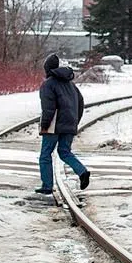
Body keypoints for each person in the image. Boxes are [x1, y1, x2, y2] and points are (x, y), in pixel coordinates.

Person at [36, 53, 91, 195]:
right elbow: (80, 104)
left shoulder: (48, 85)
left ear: (47, 69)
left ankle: (47, 186)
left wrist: (44, 125)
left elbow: (48, 108)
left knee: (45, 155)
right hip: (70, 124)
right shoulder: (71, 85)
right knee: (65, 152)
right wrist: (74, 122)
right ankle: (82, 171)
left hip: (54, 126)